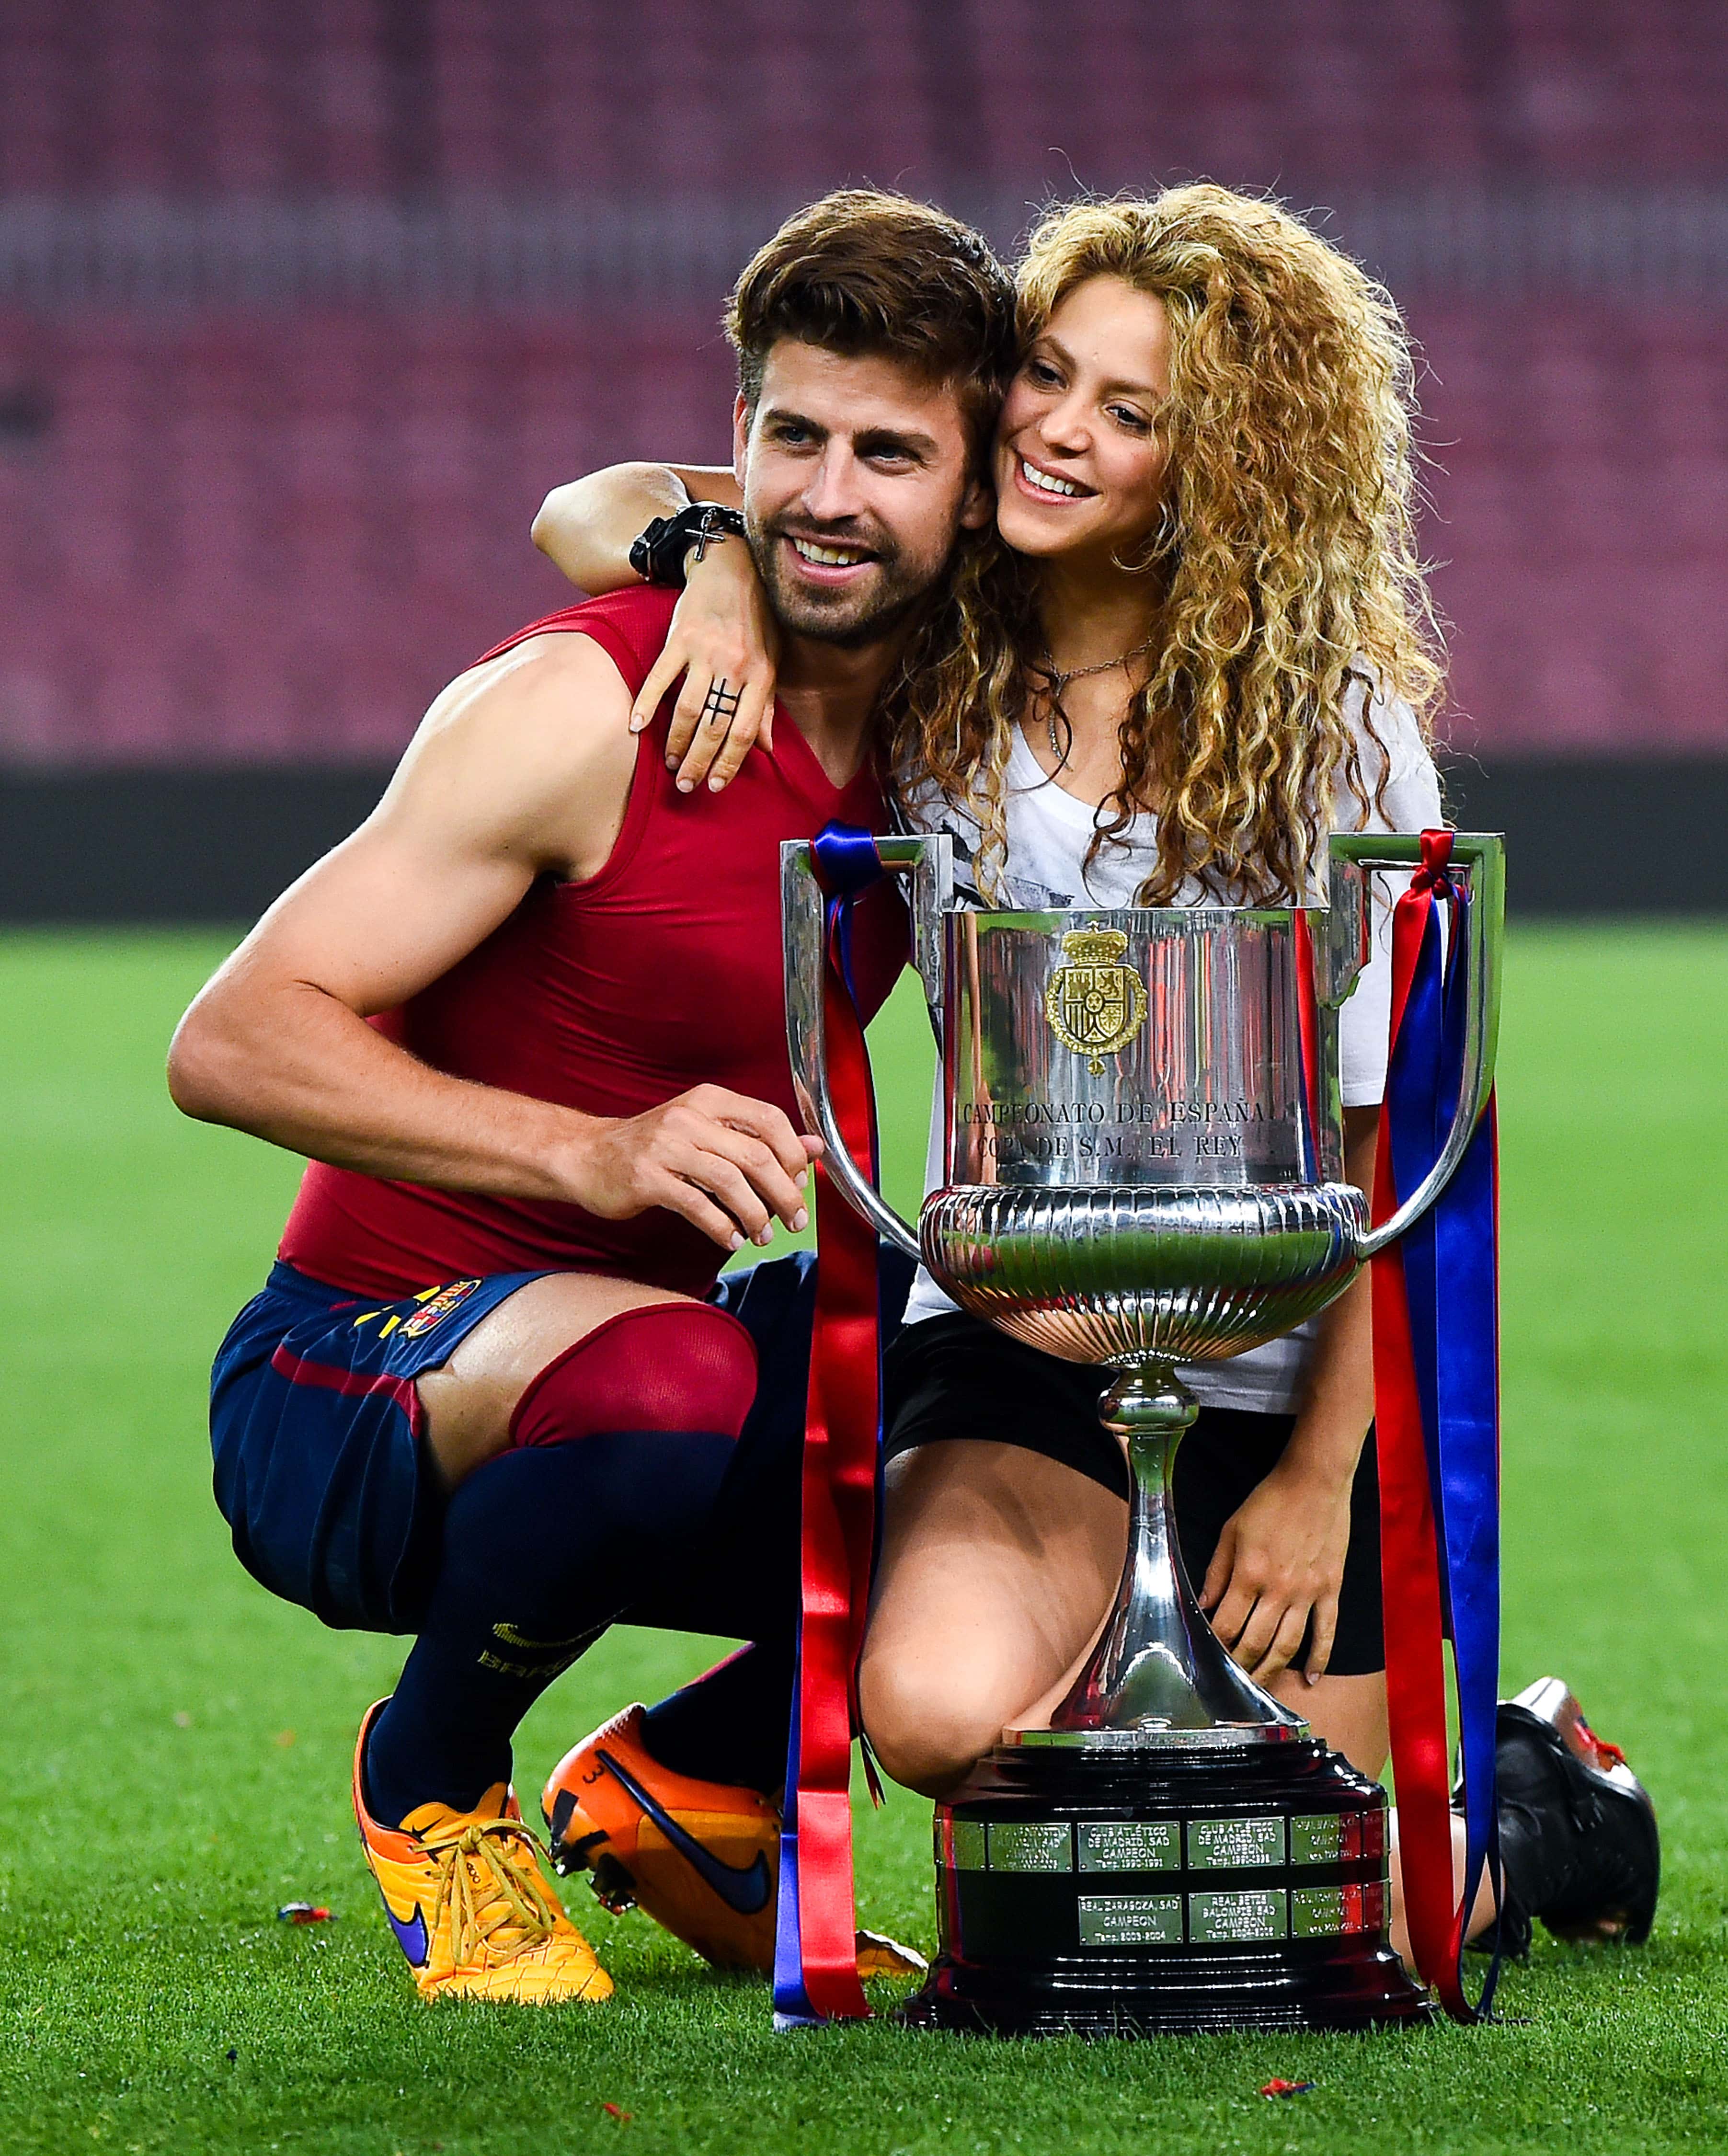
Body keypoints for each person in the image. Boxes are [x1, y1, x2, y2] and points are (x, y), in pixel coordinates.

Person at [532, 184, 1659, 1969]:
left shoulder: (1338, 723)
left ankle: (1540, 1790)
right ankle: (922, 1711)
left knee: (1382, 1919)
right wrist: (721, 567)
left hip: (1295, 1358)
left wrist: (1316, 1476)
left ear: (1223, 462)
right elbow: (582, 505)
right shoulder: (931, 646)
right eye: (1050, 376)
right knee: (931, 1710)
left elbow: (1397, 1129)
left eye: (1132, 413)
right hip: (1022, 1338)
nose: (1060, 428)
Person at [167, 188, 1016, 2005]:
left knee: (992, 1404)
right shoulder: (590, 707)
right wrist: (592, 1149)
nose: (828, 494)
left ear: (972, 484)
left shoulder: (944, 732)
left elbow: (604, 504)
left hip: (625, 1359)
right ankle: (431, 1785)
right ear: (738, 441)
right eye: (790, 438)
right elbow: (231, 1037)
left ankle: (691, 1783)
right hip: (354, 1384)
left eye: (890, 449)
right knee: (685, 1370)